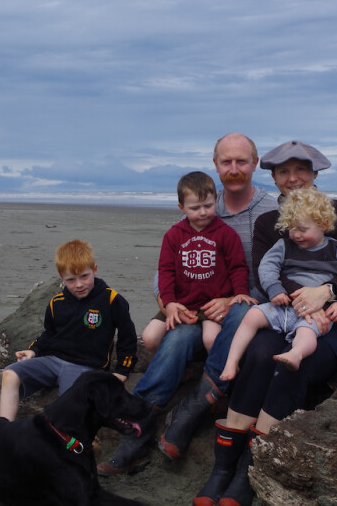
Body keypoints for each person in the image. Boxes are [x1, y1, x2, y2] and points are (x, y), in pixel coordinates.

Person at [194, 141, 337, 506]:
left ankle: (249, 468)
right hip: (285, 314)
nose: (293, 178)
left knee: (296, 364)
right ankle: (222, 469)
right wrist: (303, 298)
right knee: (260, 354)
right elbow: (266, 277)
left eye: (301, 170)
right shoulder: (268, 223)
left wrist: (326, 292)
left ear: (315, 174)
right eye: (284, 172)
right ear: (273, 177)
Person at [98, 134, 278, 476]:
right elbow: (167, 270)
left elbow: (273, 270)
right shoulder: (203, 201)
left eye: (242, 161)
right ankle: (138, 427)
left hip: (246, 307)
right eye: (227, 162)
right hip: (194, 306)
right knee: (176, 338)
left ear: (256, 164)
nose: (234, 168)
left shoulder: (271, 211)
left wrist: (230, 298)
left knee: (239, 312)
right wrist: (168, 304)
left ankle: (191, 410)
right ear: (216, 166)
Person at [220, 187, 337, 381]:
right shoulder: (283, 246)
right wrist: (275, 289)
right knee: (252, 316)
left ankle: (296, 354)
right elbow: (266, 267)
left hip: (316, 314)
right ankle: (231, 361)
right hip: (283, 308)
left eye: (303, 229)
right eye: (292, 228)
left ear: (324, 224)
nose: (296, 235)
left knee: (307, 333)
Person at [0, 240, 138, 422]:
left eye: (84, 277)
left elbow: (128, 337)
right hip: (53, 360)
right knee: (9, 374)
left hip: (85, 367)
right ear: (61, 277)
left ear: (94, 269)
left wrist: (122, 371)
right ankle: (4, 426)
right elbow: (49, 333)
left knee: (67, 403)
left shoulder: (112, 300)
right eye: (71, 280)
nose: (79, 284)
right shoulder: (56, 302)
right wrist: (33, 350)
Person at [143, 171, 255, 357]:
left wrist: (240, 293)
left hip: (211, 304)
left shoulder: (226, 234)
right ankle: (182, 369)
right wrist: (169, 303)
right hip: (182, 303)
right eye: (195, 208)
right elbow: (165, 270)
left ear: (216, 201)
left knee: (211, 340)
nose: (203, 212)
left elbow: (238, 267)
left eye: (208, 206)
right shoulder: (173, 235)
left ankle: (216, 375)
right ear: (182, 208)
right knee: (150, 337)